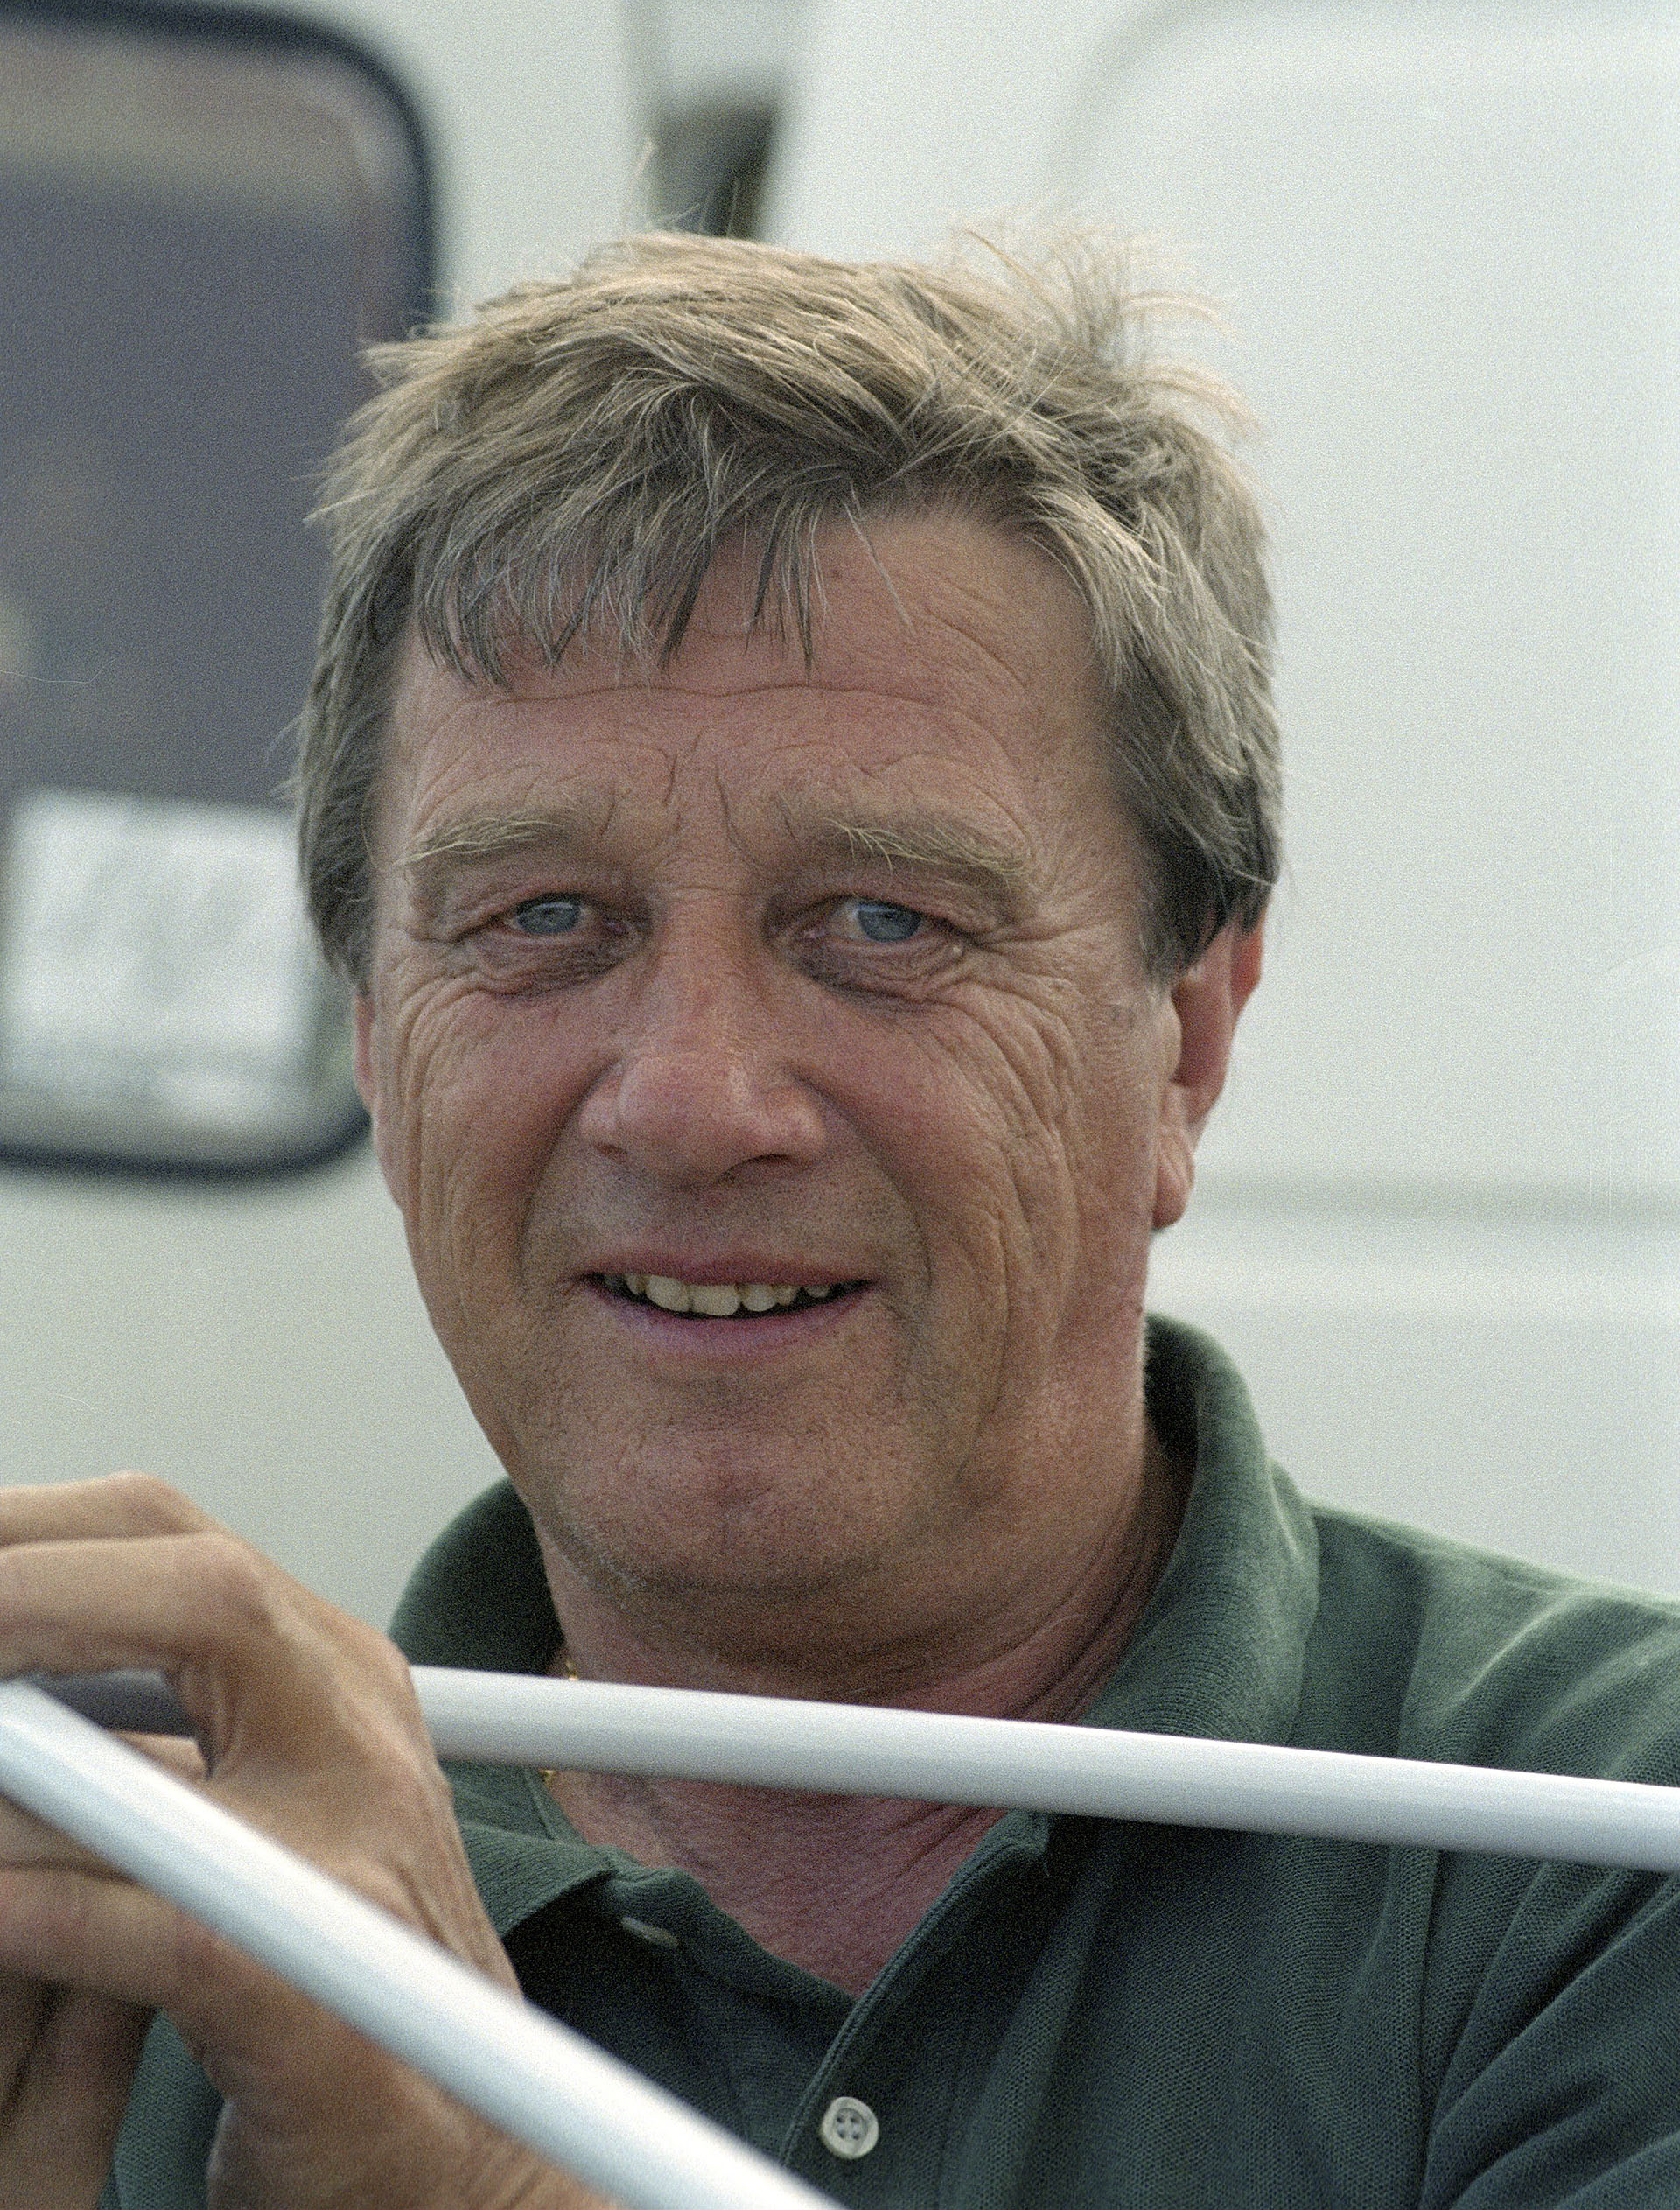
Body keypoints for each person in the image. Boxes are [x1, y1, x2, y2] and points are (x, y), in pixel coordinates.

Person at [2, 230, 1677, 2210]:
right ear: (376, 1040)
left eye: (883, 922)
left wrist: (479, 2178)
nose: (693, 1102)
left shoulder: (1590, 1838)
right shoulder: (130, 1907)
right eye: (544, 920)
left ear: (1187, 1044)